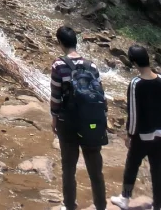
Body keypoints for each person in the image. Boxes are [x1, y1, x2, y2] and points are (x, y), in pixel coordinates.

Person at [51, 24, 109, 210]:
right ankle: (101, 206)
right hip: (91, 122)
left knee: (69, 168)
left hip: (67, 123)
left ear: (60, 43)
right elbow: (101, 96)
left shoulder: (59, 65)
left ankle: (70, 205)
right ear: (75, 42)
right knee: (96, 171)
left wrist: (54, 119)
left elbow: (56, 97)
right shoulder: (91, 65)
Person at [111, 43, 161, 210]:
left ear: (134, 62)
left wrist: (130, 135)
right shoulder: (160, 79)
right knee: (157, 169)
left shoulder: (136, 83)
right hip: (159, 135)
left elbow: (133, 113)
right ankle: (158, 205)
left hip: (141, 136)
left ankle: (125, 199)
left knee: (131, 167)